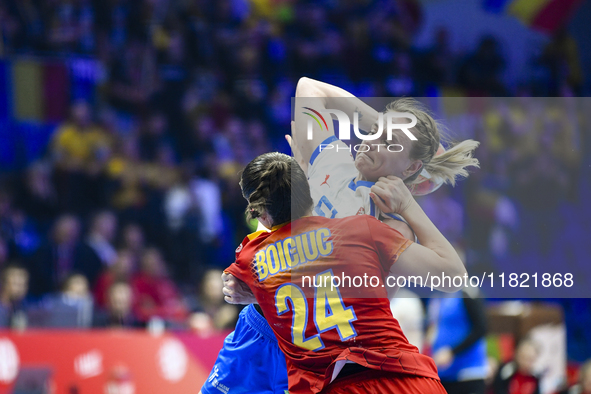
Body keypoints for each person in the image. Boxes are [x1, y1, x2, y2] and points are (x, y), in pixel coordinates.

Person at [202, 78, 479, 393]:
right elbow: (309, 88)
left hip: (315, 354)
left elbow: (371, 309)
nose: (372, 142)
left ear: (409, 169)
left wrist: (274, 289)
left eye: (389, 144)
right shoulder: (330, 156)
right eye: (374, 134)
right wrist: (379, 122)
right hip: (262, 328)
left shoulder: (392, 223)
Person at [219, 152, 466, 393]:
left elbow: (235, 289)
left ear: (260, 213)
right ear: (309, 190)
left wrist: (263, 294)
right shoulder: (363, 229)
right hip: (405, 380)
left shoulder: (252, 257)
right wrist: (408, 205)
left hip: (332, 385)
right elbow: (454, 277)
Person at [427, 288, 488, 394]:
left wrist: (452, 352)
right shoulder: (438, 297)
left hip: (468, 372)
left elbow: (481, 328)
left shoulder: (467, 292)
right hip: (445, 373)